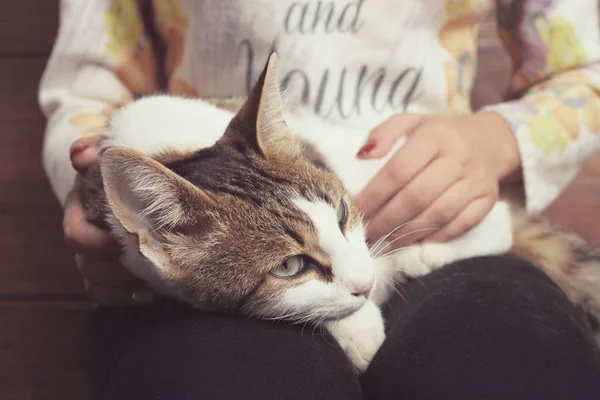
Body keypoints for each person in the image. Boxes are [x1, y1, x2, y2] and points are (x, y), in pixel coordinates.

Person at [40, 0, 600, 398]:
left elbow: (584, 70)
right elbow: (84, 94)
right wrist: (100, 197)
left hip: (429, 216)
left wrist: (496, 139)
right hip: (213, 239)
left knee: (513, 361)